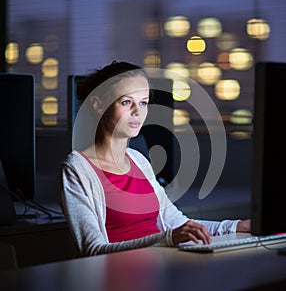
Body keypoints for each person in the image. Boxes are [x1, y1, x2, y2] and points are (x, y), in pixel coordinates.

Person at [58, 61, 251, 256]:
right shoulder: (76, 169)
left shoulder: (139, 160)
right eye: (126, 102)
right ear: (99, 105)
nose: (138, 111)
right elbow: (93, 250)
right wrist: (166, 239)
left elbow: (179, 224)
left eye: (143, 102)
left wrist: (238, 226)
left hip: (161, 264)